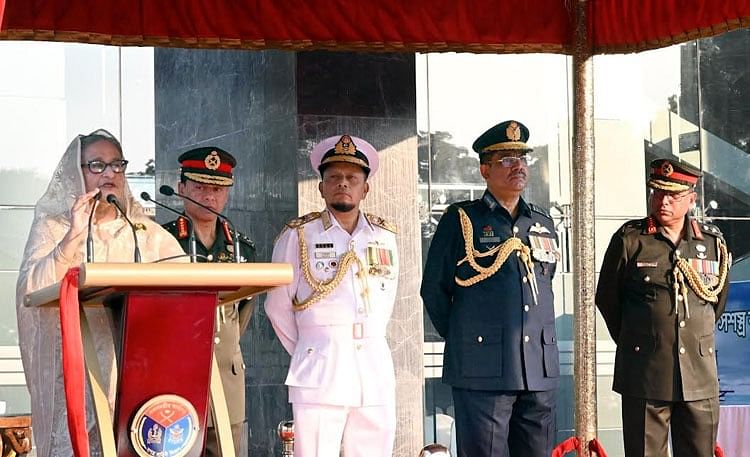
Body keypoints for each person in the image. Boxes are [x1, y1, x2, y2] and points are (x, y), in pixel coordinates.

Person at [15, 129, 185, 457]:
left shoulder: (142, 230)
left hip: (134, 376)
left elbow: (186, 279)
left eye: (116, 165)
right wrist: (72, 240)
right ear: (76, 174)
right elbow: (30, 290)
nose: (109, 173)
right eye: (96, 165)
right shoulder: (54, 227)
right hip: (75, 372)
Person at [421, 120, 560, 457]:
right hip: (483, 372)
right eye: (507, 161)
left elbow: (544, 281)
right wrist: (466, 338)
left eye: (522, 159)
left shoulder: (541, 222)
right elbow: (434, 290)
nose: (518, 168)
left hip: (536, 370)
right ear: (485, 169)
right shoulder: (461, 219)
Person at [264, 134, 399, 457]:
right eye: (334, 177)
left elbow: (386, 301)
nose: (343, 184)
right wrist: (312, 348)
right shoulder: (298, 236)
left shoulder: (384, 237)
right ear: (321, 187)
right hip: (320, 369)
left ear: (365, 188)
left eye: (352, 178)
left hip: (374, 368)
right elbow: (277, 307)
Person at [596, 158, 731, 457]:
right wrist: (642, 340)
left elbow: (715, 302)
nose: (663, 201)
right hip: (645, 373)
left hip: (699, 375)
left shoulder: (711, 243)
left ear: (692, 199)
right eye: (657, 193)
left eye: (673, 195)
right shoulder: (631, 240)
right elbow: (607, 299)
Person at [162, 146, 256, 457]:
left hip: (227, 381)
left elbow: (241, 315)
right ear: (181, 189)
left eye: (217, 189)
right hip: (176, 378)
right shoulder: (162, 242)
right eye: (200, 187)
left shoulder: (242, 249)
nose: (209, 197)